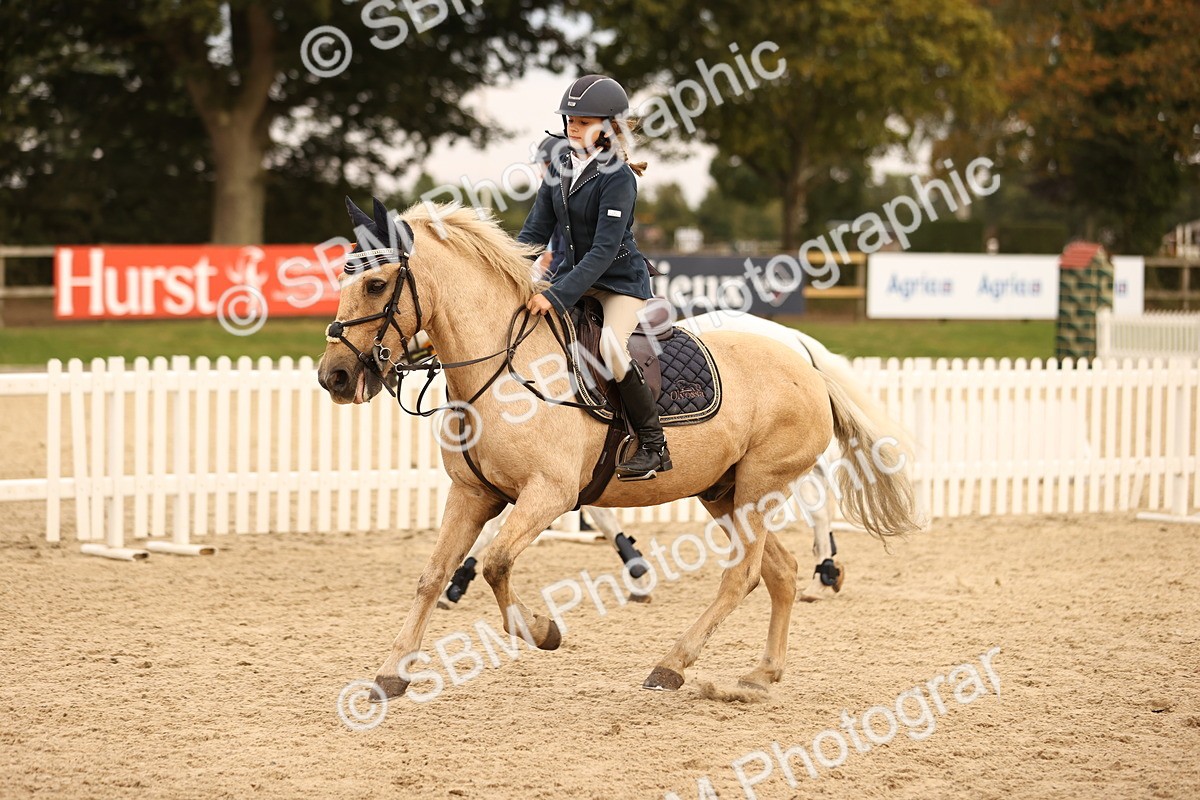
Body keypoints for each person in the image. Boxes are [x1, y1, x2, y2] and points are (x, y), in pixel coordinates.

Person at [517, 75, 671, 481]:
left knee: (610, 348)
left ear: (608, 126)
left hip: (619, 282)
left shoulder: (618, 177)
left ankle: (654, 444)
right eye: (570, 120)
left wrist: (556, 296)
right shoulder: (560, 168)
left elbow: (603, 251)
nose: (572, 127)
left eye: (583, 122)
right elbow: (533, 234)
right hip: (572, 277)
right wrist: (510, 272)